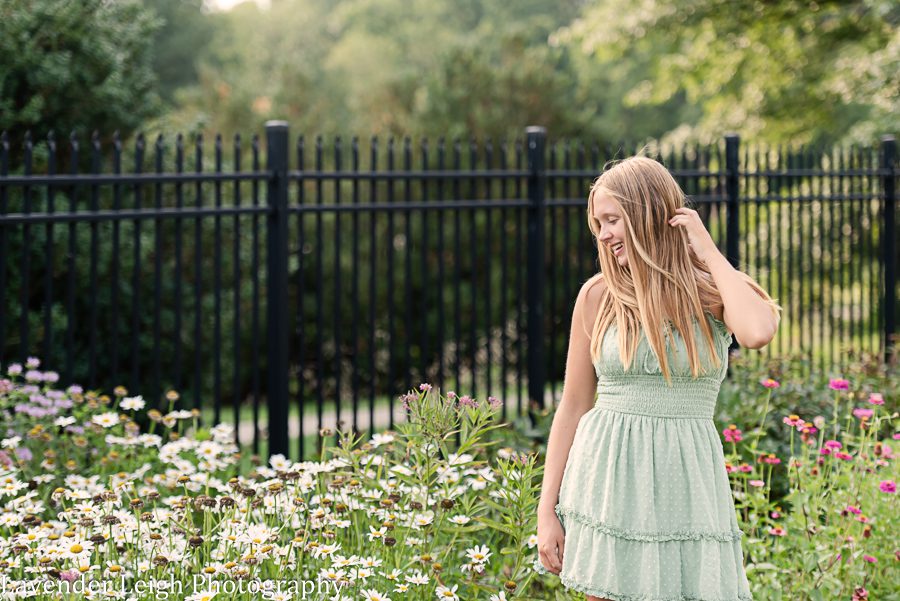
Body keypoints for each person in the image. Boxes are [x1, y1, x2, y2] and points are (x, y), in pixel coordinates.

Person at [532, 155, 781, 601]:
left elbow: (759, 331)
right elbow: (572, 405)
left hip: (687, 481)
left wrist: (706, 250)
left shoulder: (713, 290)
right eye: (598, 225)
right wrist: (546, 508)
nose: (604, 235)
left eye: (612, 220)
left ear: (646, 213)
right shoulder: (597, 296)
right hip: (608, 480)